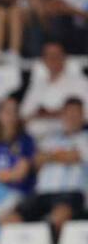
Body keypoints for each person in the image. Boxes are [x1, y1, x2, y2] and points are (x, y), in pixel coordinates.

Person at [12, 98, 88, 231]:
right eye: (68, 113)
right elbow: (36, 161)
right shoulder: (50, 138)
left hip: (70, 193)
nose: (72, 117)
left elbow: (73, 156)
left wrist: (50, 156)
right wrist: (59, 156)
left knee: (58, 217)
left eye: (76, 113)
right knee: (10, 219)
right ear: (62, 115)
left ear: (83, 116)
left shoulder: (85, 138)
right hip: (42, 194)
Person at [20, 40, 88, 144]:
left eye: (56, 55)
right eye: (48, 55)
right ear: (43, 60)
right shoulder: (37, 85)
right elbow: (24, 114)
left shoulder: (80, 82)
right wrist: (41, 113)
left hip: (72, 141)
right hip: (36, 142)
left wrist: (55, 113)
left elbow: (85, 114)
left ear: (64, 58)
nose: (53, 59)